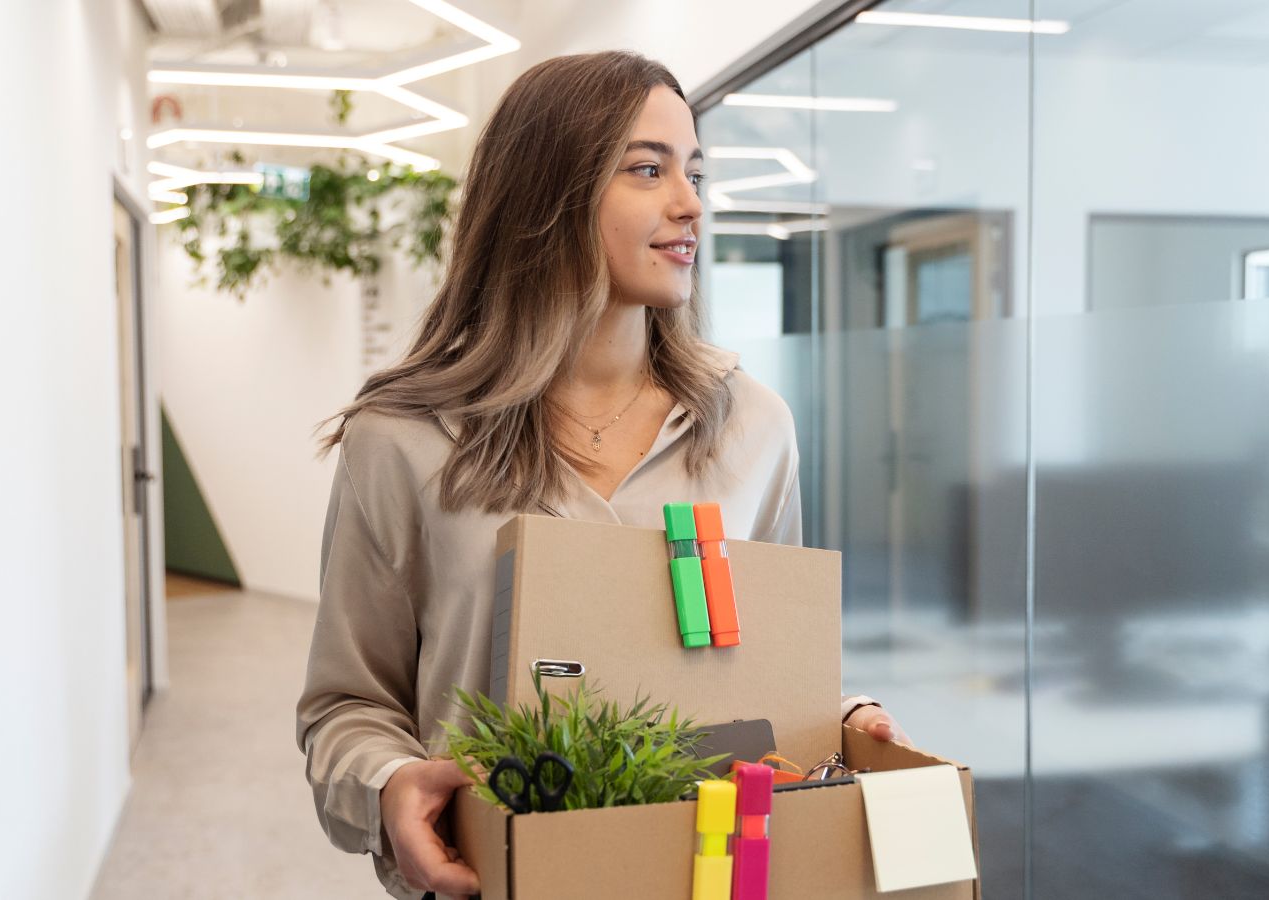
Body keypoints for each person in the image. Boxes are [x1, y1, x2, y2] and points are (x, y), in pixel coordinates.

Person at [296, 50, 906, 900]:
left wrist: (837, 715)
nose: (690, 204)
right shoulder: (402, 439)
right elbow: (346, 708)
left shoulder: (754, 427)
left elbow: (761, 674)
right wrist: (390, 784)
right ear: (547, 194)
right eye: (648, 169)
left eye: (694, 171)